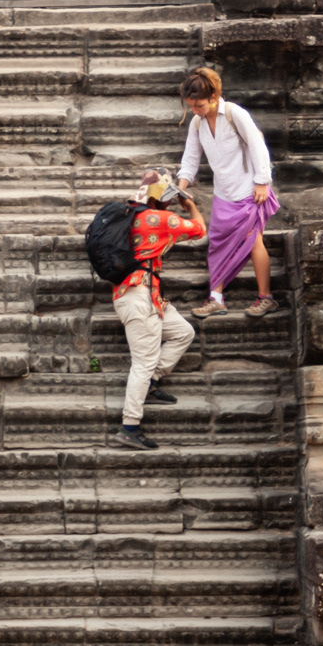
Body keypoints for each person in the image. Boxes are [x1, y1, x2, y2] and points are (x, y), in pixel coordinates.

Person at [110, 167, 206, 452]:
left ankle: (152, 381)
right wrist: (190, 205)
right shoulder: (161, 218)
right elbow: (200, 230)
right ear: (160, 197)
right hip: (138, 297)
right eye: (167, 196)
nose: (168, 201)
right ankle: (129, 427)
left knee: (183, 333)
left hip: (145, 296)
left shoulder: (129, 215)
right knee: (142, 363)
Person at [175, 66, 280, 319]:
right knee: (217, 245)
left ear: (213, 98)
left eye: (198, 105)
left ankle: (265, 298)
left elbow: (257, 146)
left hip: (249, 190)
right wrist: (180, 188)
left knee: (254, 242)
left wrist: (262, 181)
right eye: (191, 106)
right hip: (223, 192)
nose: (194, 110)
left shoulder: (235, 114)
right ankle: (216, 299)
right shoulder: (197, 123)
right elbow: (190, 159)